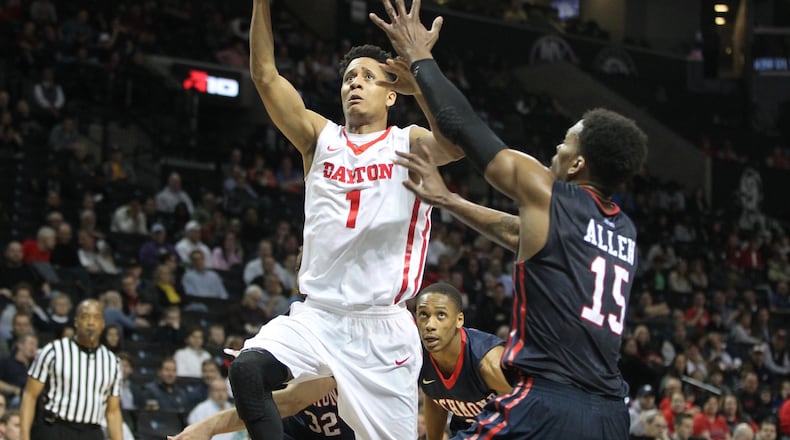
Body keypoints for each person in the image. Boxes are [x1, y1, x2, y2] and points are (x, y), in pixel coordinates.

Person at [371, 1, 647, 437]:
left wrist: (420, 59)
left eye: (566, 142)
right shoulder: (623, 230)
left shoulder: (549, 192)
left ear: (577, 166)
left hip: (548, 400)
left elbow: (463, 125)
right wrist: (452, 201)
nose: (556, 149)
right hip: (611, 414)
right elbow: (520, 233)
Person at [227, 1, 462, 439]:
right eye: (349, 77)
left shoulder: (407, 142)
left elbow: (456, 143)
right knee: (247, 371)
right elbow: (264, 75)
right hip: (317, 316)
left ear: (392, 94)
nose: (355, 83)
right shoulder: (319, 138)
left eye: (368, 77)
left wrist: (423, 87)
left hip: (382, 328)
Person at [415, 282, 512, 438]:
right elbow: (435, 397)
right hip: (465, 429)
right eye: (424, 315)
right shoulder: (419, 357)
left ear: (459, 320)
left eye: (441, 315)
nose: (429, 325)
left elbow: (527, 412)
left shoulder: (489, 362)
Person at [19, 299, 123, 440]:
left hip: (91, 432)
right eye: (85, 317)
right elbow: (30, 395)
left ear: (102, 324)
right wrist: (24, 436)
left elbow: (113, 412)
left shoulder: (113, 362)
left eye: (96, 317)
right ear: (76, 321)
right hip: (56, 428)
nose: (91, 322)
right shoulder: (53, 351)